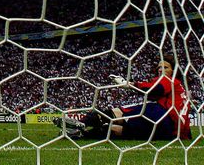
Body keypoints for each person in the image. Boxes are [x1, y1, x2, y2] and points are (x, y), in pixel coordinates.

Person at [55, 54, 191, 140]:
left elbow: (155, 89)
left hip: (162, 117)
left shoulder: (170, 80)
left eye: (165, 67)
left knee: (120, 112)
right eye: (159, 67)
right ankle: (82, 134)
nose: (161, 70)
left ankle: (83, 122)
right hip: (172, 132)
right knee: (126, 131)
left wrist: (129, 85)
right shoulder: (180, 88)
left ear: (173, 71)